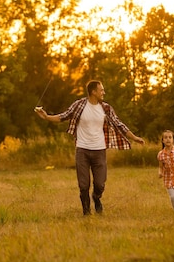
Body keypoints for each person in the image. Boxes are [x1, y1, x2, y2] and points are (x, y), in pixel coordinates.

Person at [34, 80, 145, 215]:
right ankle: (86, 212)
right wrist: (46, 117)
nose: (103, 92)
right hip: (82, 150)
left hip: (99, 150)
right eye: (101, 90)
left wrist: (134, 138)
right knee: (83, 185)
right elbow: (63, 117)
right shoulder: (79, 105)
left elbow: (119, 124)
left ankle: (96, 198)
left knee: (100, 184)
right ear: (93, 92)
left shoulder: (106, 108)